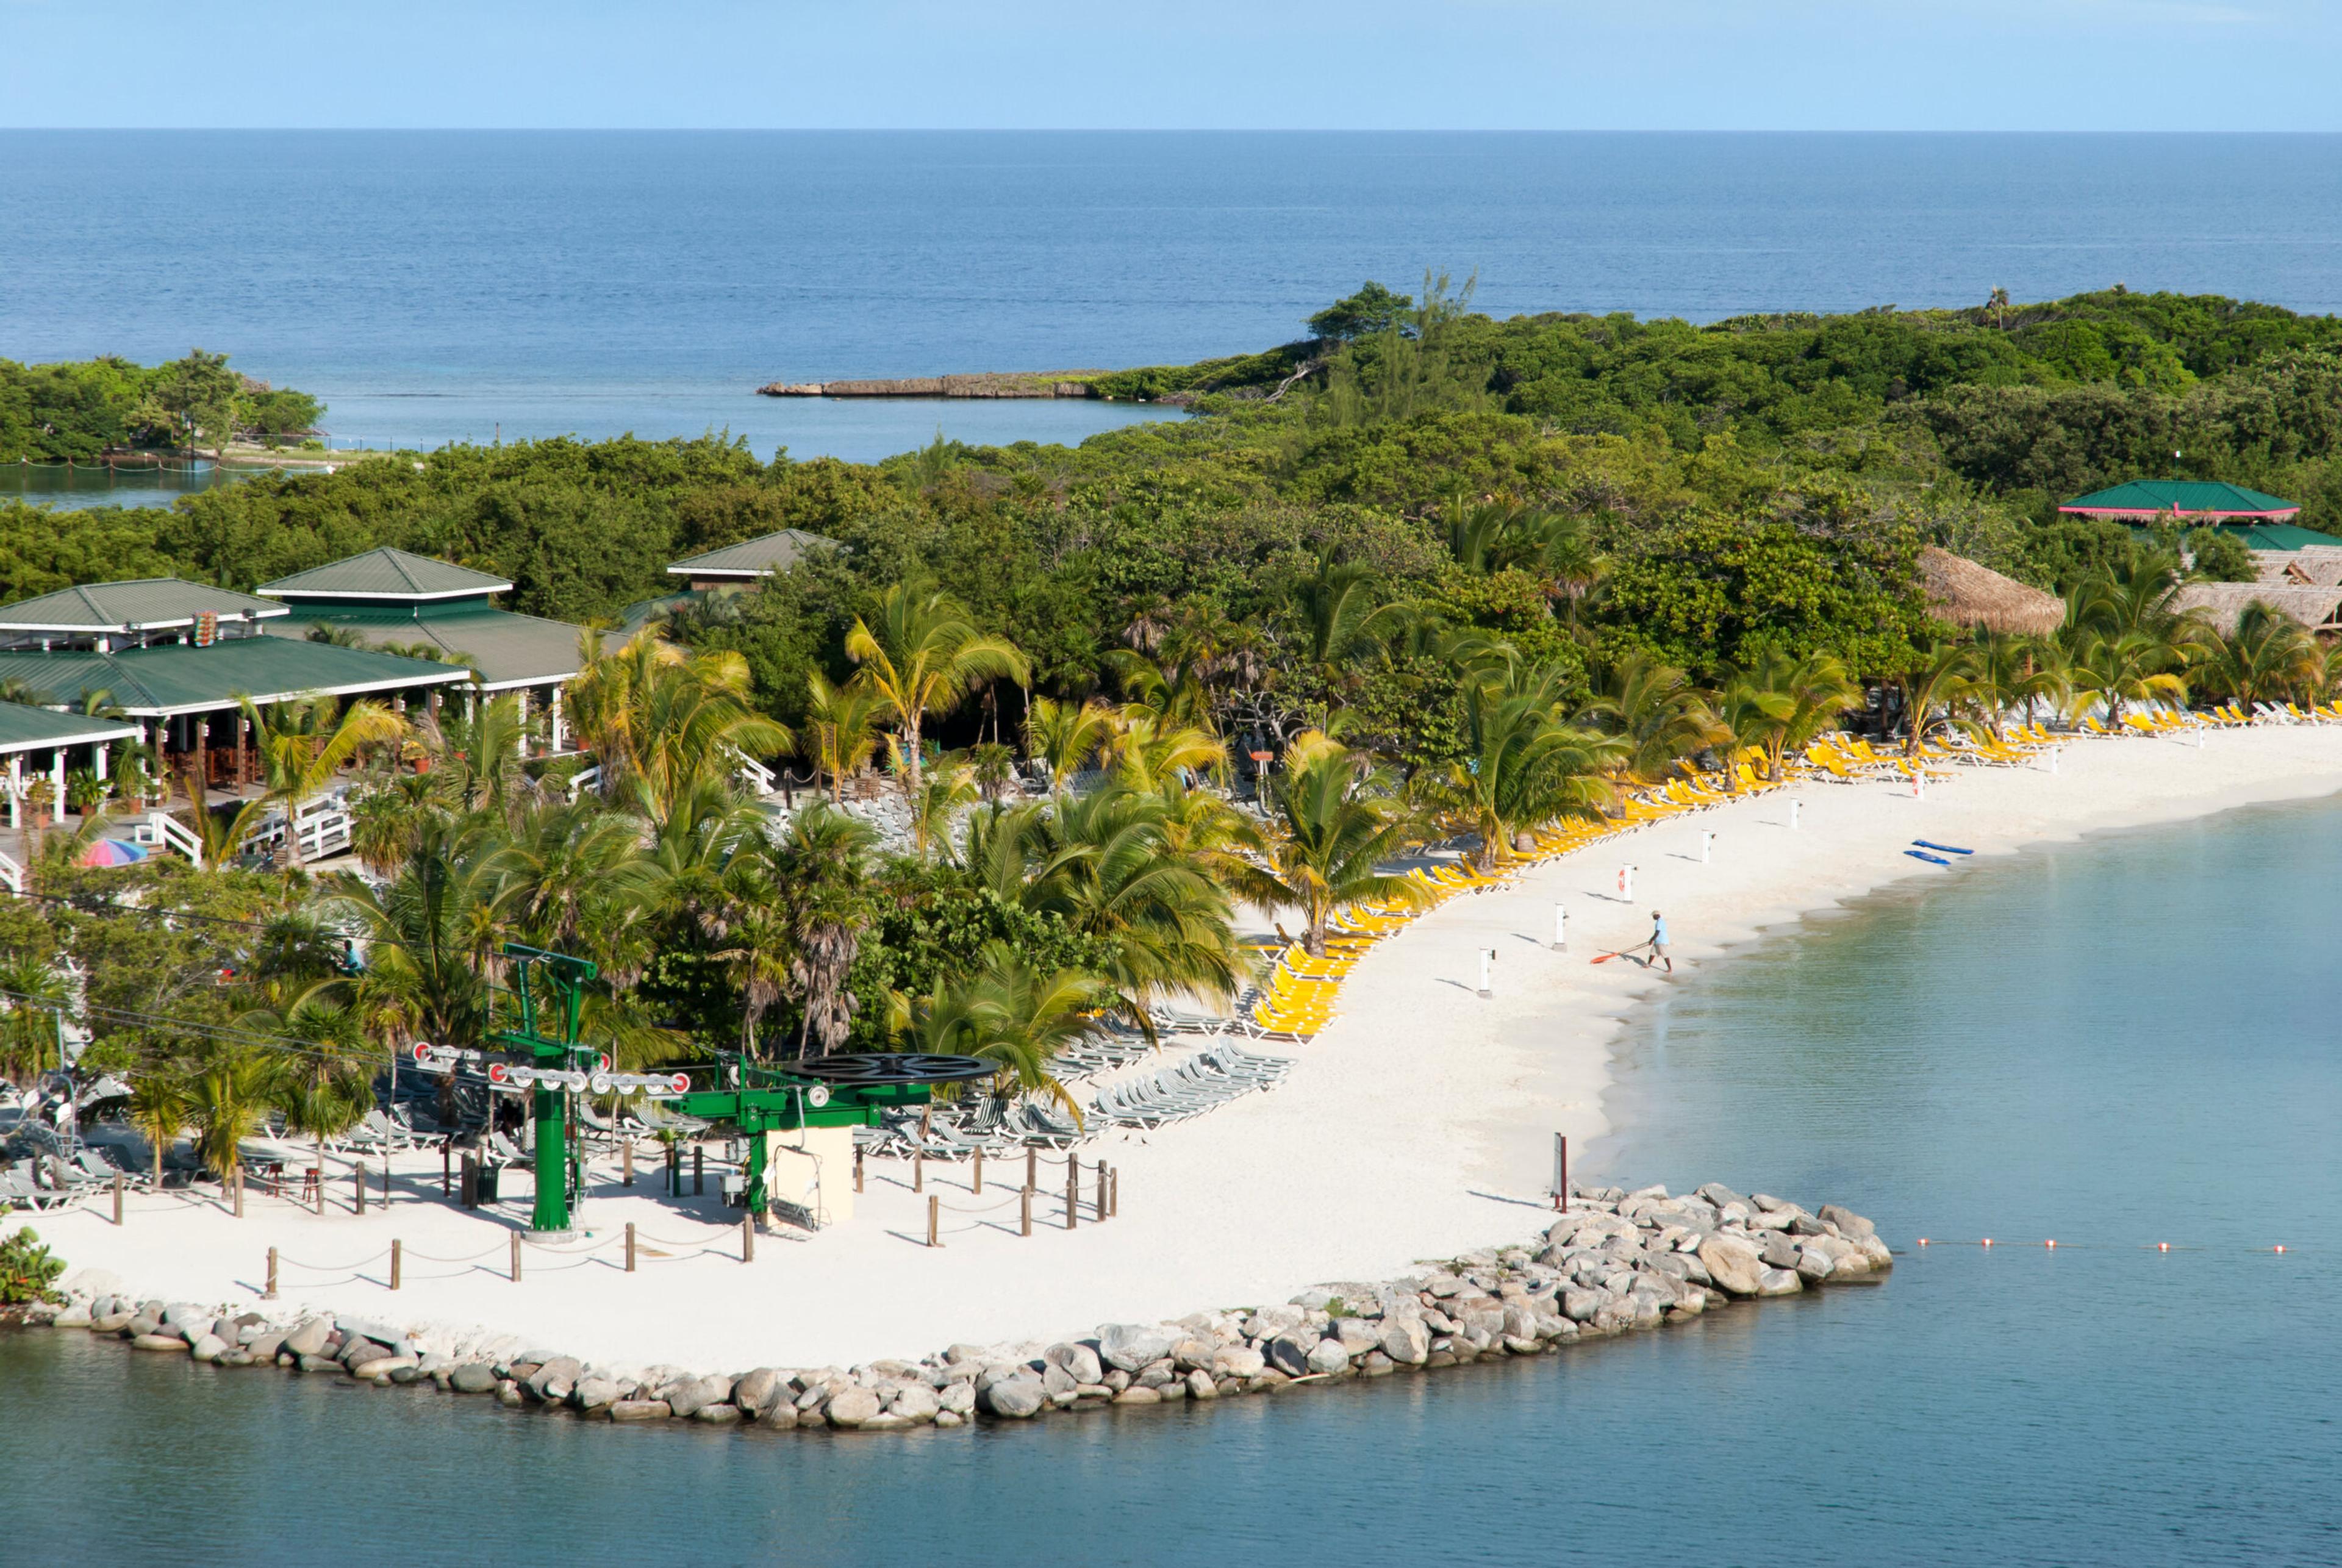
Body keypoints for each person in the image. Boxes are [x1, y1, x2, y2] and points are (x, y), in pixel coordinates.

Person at [1645, 909, 1672, 973]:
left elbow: (1657, 932)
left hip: (1661, 941)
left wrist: (1651, 940)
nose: (1653, 917)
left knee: (1665, 954)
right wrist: (1653, 940)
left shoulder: (1659, 922)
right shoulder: (1661, 921)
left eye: (1653, 916)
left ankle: (1670, 969)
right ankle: (1648, 965)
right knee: (1652, 952)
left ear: (1657, 915)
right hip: (1658, 941)